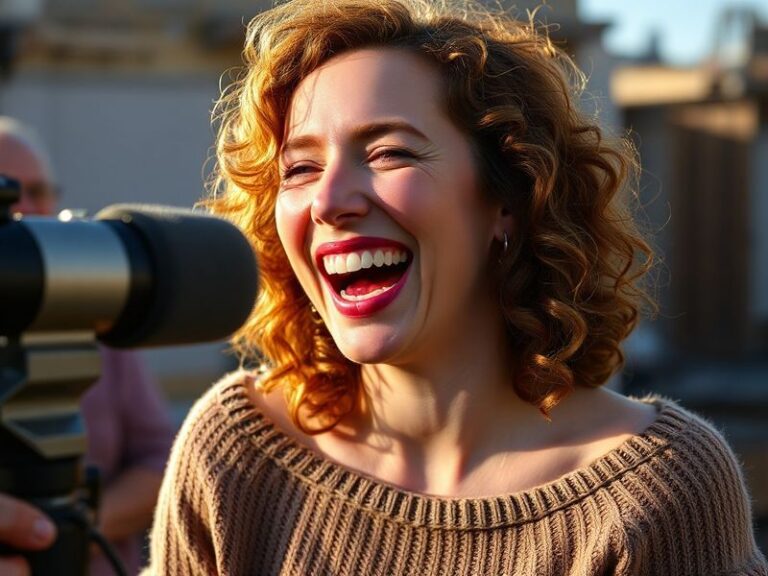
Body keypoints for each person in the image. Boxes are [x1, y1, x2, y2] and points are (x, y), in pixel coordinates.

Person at [143, 0, 768, 574]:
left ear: (511, 196)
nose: (329, 201)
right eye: (300, 168)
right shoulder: (235, 453)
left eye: (389, 153)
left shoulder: (660, 489)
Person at [0, 116, 175, 576]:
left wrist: (73, 530)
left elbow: (161, 457)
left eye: (39, 192)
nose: (27, 210)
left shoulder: (96, 314)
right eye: (7, 194)